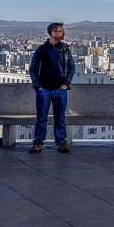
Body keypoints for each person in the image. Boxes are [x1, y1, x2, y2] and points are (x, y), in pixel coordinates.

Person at [28, 22, 74, 154]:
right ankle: (38, 143)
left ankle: (61, 142)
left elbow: (72, 68)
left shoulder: (65, 50)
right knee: (41, 117)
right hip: (44, 90)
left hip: (60, 89)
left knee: (60, 117)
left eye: (62, 31)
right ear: (53, 33)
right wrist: (37, 86)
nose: (62, 33)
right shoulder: (42, 49)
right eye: (60, 31)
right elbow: (33, 69)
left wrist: (66, 84)